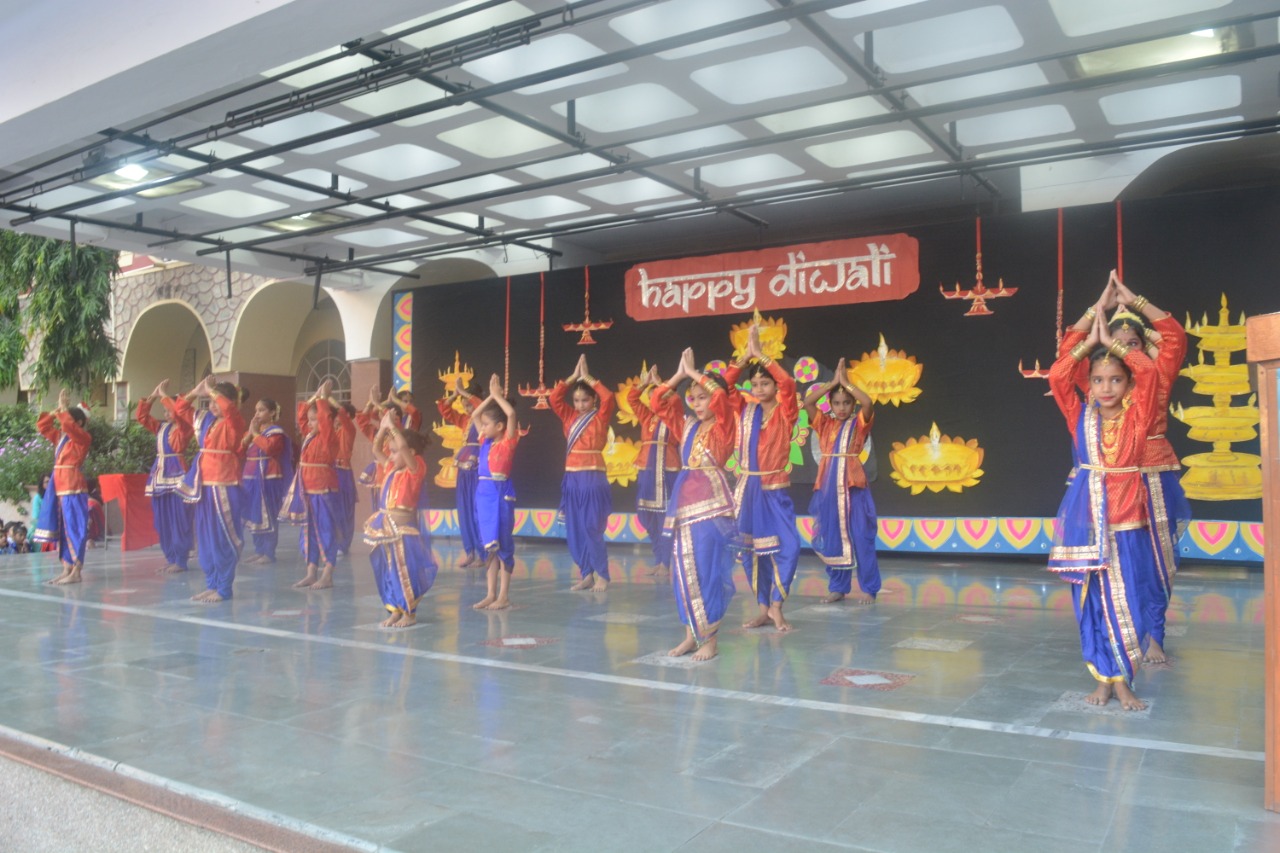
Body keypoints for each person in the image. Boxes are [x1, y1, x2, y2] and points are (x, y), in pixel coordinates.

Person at [1059, 272, 1190, 664]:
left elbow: (1174, 337)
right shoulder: (1099, 385)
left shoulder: (1154, 378)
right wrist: (1096, 310)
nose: (1123, 351)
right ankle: (1109, 643)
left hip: (1153, 475)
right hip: (1104, 485)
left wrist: (1134, 302)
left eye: (1133, 344)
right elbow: (1066, 354)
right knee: (1106, 563)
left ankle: (1153, 635)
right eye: (1116, 343)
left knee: (1155, 561)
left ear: (1144, 347)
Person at [1048, 304, 1160, 711]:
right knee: (1092, 604)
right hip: (1089, 524)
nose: (1106, 387)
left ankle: (1124, 680)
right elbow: (1057, 376)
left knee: (1128, 603)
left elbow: (1150, 372)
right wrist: (1088, 341)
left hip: (1128, 524)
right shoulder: (1079, 414)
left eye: (1115, 379)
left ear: (1129, 383)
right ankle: (1102, 677)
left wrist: (1113, 342)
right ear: (1090, 385)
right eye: (1098, 380)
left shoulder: (1139, 415)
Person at [650, 348, 739, 661]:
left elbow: (722, 398)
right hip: (684, 506)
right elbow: (657, 402)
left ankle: (710, 639)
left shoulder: (725, 424)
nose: (698, 404)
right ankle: (690, 635)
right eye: (694, 398)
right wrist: (679, 375)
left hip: (711, 507)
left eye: (704, 398)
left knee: (706, 570)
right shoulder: (686, 426)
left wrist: (694, 374)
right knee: (682, 570)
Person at [722, 324, 800, 631]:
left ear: (773, 385)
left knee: (788, 547)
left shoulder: (785, 411)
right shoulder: (746, 409)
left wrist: (762, 356)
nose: (758, 388)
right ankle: (764, 608)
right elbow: (726, 386)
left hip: (774, 490)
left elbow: (789, 383)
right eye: (754, 384)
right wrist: (744, 359)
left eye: (764, 383)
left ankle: (778, 605)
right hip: (748, 490)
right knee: (752, 553)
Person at [803, 358, 880, 604]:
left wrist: (846, 383)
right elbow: (808, 402)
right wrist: (832, 383)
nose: (842, 407)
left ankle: (869, 588)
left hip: (853, 487)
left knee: (861, 536)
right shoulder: (824, 424)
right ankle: (838, 586)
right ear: (831, 405)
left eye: (846, 402)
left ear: (852, 403)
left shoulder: (859, 424)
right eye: (836, 403)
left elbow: (868, 403)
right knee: (832, 537)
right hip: (828, 489)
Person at [176, 376, 248, 603]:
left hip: (224, 484)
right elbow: (180, 409)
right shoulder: (207, 422)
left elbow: (229, 410)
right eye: (211, 402)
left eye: (217, 401)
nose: (213, 405)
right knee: (206, 537)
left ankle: (224, 588)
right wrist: (196, 391)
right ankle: (212, 584)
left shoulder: (235, 422)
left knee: (221, 536)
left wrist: (212, 391)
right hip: (204, 485)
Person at [364, 409, 438, 627]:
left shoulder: (415, 469)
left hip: (403, 531)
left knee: (404, 572)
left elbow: (403, 447)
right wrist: (383, 429)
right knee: (388, 571)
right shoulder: (391, 468)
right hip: (386, 528)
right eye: (391, 451)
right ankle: (394, 609)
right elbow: (375, 449)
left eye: (395, 452)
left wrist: (392, 427)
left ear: (410, 453)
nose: (391, 455)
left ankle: (409, 613)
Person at [549, 354, 614, 592]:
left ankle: (602, 574)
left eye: (585, 400)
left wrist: (588, 378)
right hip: (572, 478)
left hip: (593, 477)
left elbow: (609, 397)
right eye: (576, 400)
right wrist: (572, 378)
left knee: (591, 526)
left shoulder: (600, 417)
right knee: (575, 528)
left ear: (593, 400)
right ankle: (586, 573)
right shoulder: (569, 417)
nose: (579, 405)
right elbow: (554, 399)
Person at [281, 380, 341, 590]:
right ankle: (311, 572)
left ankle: (328, 574)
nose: (310, 423)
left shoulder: (328, 437)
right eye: (310, 420)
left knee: (326, 530)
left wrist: (323, 399)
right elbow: (301, 415)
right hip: (306, 489)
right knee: (308, 532)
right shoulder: (310, 436)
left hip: (323, 489)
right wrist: (316, 396)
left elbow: (324, 421)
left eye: (315, 420)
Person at [469, 374, 519, 610]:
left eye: (487, 424)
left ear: (499, 427)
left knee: (503, 545)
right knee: (488, 545)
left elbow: (511, 414)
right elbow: (474, 415)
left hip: (500, 494)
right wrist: (490, 397)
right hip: (483, 495)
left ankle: (504, 595)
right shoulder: (485, 442)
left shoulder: (508, 440)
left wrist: (498, 397)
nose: (482, 427)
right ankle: (490, 593)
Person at [33, 389, 92, 584]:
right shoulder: (60, 438)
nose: (63, 424)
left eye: (68, 419)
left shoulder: (82, 437)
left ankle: (77, 570)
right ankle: (66, 567)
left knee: (75, 527)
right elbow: (42, 426)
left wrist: (64, 409)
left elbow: (69, 426)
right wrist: (55, 411)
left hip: (73, 486)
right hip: (58, 486)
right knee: (63, 528)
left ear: (79, 422)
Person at [627, 364, 680, 575]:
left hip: (667, 470)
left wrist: (660, 383)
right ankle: (659, 559)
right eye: (652, 397)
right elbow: (632, 399)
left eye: (659, 397)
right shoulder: (647, 417)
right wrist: (645, 384)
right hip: (648, 470)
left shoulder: (674, 415)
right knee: (649, 516)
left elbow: (675, 400)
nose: (654, 401)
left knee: (666, 517)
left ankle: (666, 562)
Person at [137, 380, 195, 573]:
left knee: (179, 519)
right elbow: (142, 417)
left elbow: (180, 414)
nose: (166, 414)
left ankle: (181, 559)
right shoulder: (161, 427)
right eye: (165, 411)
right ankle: (170, 557)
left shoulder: (185, 427)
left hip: (177, 473)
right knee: (162, 520)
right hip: (159, 474)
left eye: (169, 410)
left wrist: (164, 396)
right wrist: (152, 398)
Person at [240, 397, 293, 565]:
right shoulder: (254, 430)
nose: (257, 414)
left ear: (272, 413)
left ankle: (269, 552)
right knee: (254, 514)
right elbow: (240, 450)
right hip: (250, 476)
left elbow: (269, 448)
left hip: (268, 477)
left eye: (261, 410)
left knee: (268, 514)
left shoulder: (276, 432)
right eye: (256, 410)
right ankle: (259, 550)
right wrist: (250, 434)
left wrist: (255, 434)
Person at [437, 379, 484, 568]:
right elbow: (444, 409)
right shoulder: (465, 420)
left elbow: (479, 406)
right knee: (464, 509)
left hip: (477, 467)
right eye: (464, 405)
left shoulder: (484, 417)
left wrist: (465, 393)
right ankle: (470, 551)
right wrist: (455, 394)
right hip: (464, 469)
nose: (467, 408)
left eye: (468, 404)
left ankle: (483, 553)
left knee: (476, 510)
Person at [334, 401, 358, 557]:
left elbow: (341, 414)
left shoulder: (349, 429)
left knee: (344, 509)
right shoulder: (333, 430)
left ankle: (343, 544)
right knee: (333, 509)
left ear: (347, 415)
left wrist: (327, 397)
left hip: (343, 472)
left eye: (337, 414)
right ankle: (335, 542)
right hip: (331, 471)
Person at [30, 474, 57, 553]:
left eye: (51, 481)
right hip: (41, 528)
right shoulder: (38, 498)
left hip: (56, 528)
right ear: (42, 484)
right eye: (47, 482)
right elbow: (35, 518)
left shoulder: (57, 496)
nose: (49, 483)